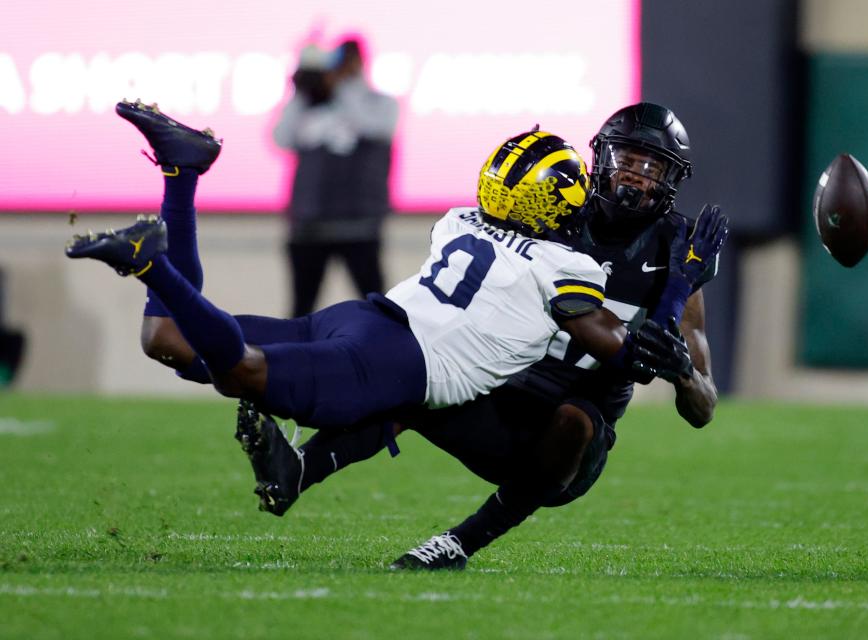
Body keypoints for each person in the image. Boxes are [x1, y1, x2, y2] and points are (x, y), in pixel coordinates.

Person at [234, 103, 729, 570]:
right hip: (494, 392)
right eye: (627, 160)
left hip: (563, 443)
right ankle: (299, 471)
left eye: (652, 169)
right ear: (601, 158)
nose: (634, 178)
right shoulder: (551, 209)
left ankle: (458, 543)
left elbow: (703, 408)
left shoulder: (679, 254)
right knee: (420, 370)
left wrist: (684, 371)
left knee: (576, 418)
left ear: (671, 183)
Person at [65, 101, 726, 447]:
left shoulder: (460, 219)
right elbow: (624, 353)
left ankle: (180, 177)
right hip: (393, 355)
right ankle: (155, 249)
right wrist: (677, 286)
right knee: (232, 367)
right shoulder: (567, 267)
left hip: (377, 318)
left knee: (168, 340)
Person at [273, 39, 398, 317]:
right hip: (309, 225)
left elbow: (377, 129)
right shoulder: (308, 105)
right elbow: (281, 138)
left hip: (359, 224)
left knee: (378, 309)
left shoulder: (380, 104)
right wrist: (302, 88)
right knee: (300, 311)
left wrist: (340, 87)